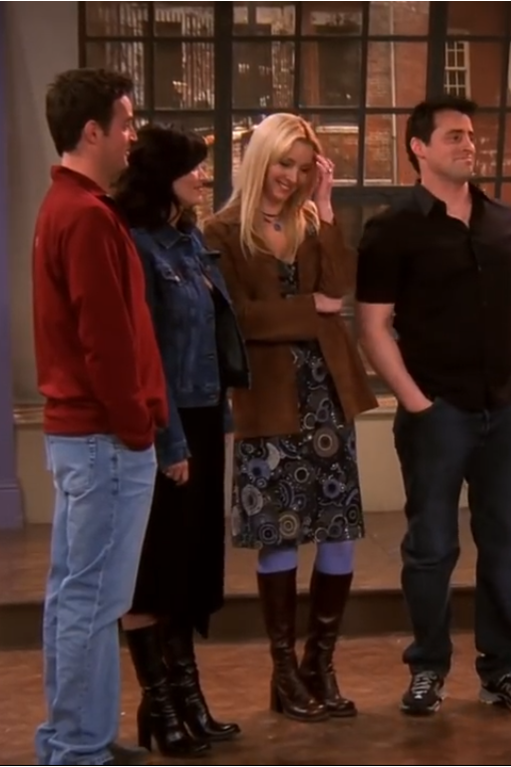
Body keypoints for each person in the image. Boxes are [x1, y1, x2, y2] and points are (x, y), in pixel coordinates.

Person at [356, 96, 511, 718]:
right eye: (453, 136)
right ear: (419, 147)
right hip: (437, 412)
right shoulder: (392, 229)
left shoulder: (506, 222)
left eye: (470, 135)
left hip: (506, 410)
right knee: (432, 547)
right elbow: (373, 325)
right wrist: (416, 401)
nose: (469, 144)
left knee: (509, 546)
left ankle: (505, 669)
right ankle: (428, 667)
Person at [202, 113, 378, 724]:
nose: (292, 176)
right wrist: (310, 309)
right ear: (261, 159)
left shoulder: (308, 221)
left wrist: (326, 209)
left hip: (328, 397)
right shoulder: (221, 231)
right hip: (270, 400)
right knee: (278, 532)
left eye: (304, 168)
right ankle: (283, 674)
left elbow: (339, 286)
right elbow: (239, 317)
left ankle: (318, 665)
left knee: (337, 529)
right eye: (284, 163)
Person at [30, 67, 164, 767]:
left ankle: (73, 737)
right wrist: (137, 427)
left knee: (75, 594)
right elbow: (105, 340)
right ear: (92, 132)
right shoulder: (83, 215)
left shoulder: (68, 206)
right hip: (103, 438)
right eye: (125, 122)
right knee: (93, 598)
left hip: (84, 436)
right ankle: (79, 750)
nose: (132, 135)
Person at [113, 123, 250, 757]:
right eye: (192, 167)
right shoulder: (137, 245)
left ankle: (188, 695)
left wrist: (217, 417)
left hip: (201, 415)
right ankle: (159, 702)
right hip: (162, 425)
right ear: (162, 174)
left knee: (190, 569)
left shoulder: (190, 240)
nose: (203, 176)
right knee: (153, 570)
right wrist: (169, 443)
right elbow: (144, 356)